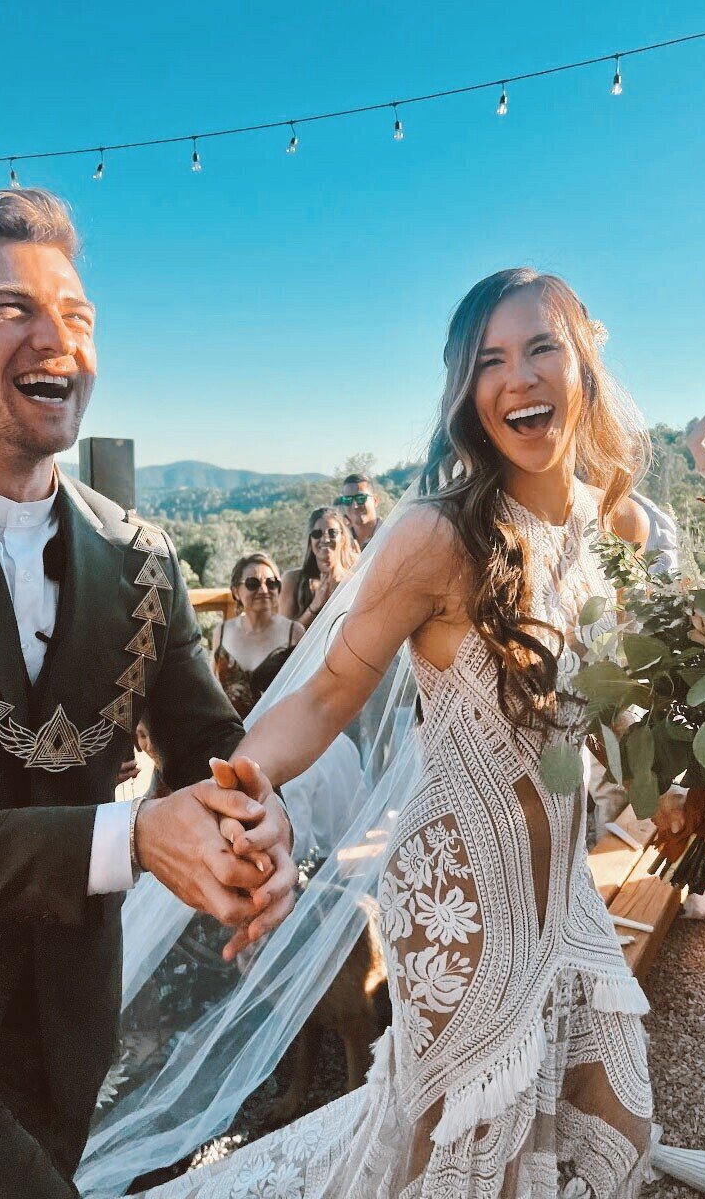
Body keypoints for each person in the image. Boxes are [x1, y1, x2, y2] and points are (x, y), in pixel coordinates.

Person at [143, 268, 654, 1199]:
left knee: (611, 1122)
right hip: (459, 899)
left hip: (566, 895)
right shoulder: (438, 536)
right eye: (489, 360)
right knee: (461, 1160)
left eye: (541, 347)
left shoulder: (610, 520)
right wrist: (235, 786)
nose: (519, 378)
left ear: (583, 361)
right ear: (466, 392)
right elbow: (329, 689)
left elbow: (621, 697)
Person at [0, 189, 296, 1198]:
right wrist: (129, 839)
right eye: (13, 309)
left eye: (77, 317)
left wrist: (258, 820)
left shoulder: (141, 558)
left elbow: (213, 742)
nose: (58, 342)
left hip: (72, 1028)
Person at [212, 553, 304, 719]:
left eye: (271, 583)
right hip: (230, 732)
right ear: (236, 591)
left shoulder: (294, 633)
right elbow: (214, 690)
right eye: (253, 584)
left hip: (277, 732)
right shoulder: (222, 632)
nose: (264, 590)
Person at [279, 506, 359, 630]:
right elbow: (284, 638)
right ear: (310, 540)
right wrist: (314, 606)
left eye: (332, 533)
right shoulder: (292, 581)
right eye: (317, 534)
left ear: (343, 538)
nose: (325, 539)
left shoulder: (354, 583)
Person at [335, 472, 384, 549]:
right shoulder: (339, 543)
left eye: (360, 498)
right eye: (348, 500)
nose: (355, 506)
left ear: (375, 500)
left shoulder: (391, 535)